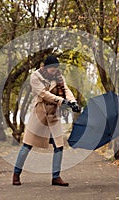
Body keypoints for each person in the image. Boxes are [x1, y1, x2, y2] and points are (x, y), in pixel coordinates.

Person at [12, 55, 80, 186]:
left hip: (54, 115)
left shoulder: (59, 77)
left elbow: (66, 90)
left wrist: (73, 102)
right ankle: (16, 173)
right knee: (27, 144)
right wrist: (62, 101)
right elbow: (43, 94)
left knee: (59, 146)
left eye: (56, 69)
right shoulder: (35, 77)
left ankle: (56, 177)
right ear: (46, 67)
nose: (54, 72)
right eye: (52, 69)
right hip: (40, 114)